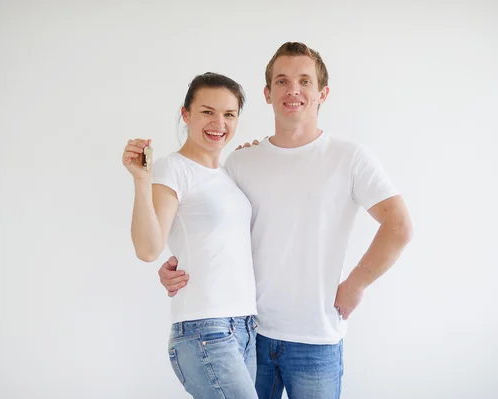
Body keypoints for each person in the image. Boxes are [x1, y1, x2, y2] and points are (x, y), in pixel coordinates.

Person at [158, 42, 413, 399]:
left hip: (316, 339)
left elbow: (399, 227)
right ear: (267, 93)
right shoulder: (240, 162)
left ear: (322, 93)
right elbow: (213, 228)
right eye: (281, 81)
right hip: (249, 334)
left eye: (304, 81)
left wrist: (356, 284)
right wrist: (177, 263)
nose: (293, 89)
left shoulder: (350, 158)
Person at [122, 72, 259, 398]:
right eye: (207, 112)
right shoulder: (174, 168)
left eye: (229, 114)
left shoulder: (228, 176)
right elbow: (148, 248)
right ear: (186, 114)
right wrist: (142, 181)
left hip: (245, 327)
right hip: (205, 329)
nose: (219, 123)